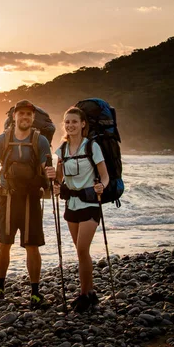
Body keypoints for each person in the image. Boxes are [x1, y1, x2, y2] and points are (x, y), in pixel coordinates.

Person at [0, 99, 56, 309]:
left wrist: (53, 179)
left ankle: (35, 292)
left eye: (28, 115)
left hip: (31, 199)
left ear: (33, 118)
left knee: (32, 246)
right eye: (21, 114)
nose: (25, 117)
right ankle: (0, 287)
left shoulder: (40, 140)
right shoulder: (3, 139)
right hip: (7, 198)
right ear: (14, 117)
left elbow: (46, 170)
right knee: (4, 243)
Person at [54, 106, 109, 313]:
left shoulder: (91, 147)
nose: (70, 125)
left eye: (74, 122)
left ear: (83, 124)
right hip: (71, 205)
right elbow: (58, 179)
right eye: (67, 122)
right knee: (80, 252)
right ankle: (91, 292)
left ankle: (84, 295)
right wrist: (53, 179)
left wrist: (101, 186)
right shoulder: (62, 150)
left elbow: (104, 175)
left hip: (90, 204)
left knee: (82, 249)